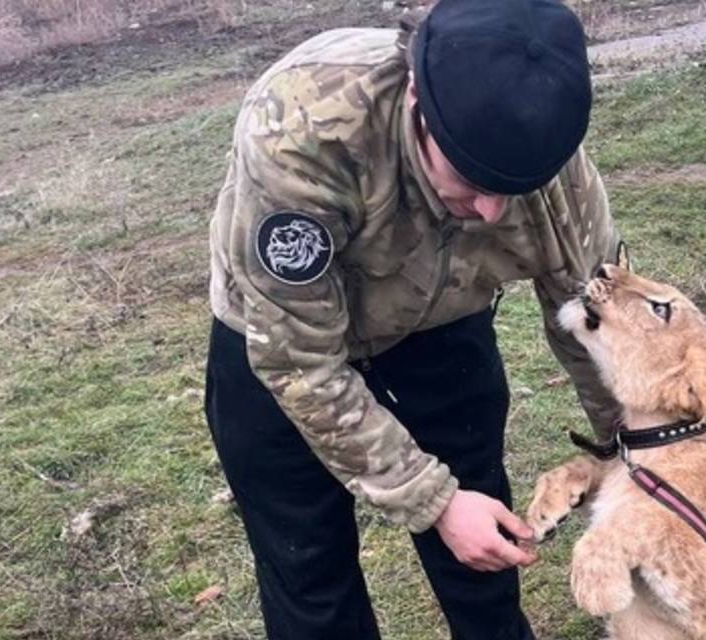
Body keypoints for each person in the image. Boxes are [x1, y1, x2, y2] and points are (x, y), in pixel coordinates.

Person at [204, 0, 625, 637]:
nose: (489, 211)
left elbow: (601, 323)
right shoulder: (302, 131)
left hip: (441, 332)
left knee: (485, 559)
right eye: (471, 179)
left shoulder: (546, 155)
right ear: (416, 111)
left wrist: (634, 455)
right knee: (311, 574)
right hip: (280, 346)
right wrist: (434, 501)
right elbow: (301, 363)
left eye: (511, 187)